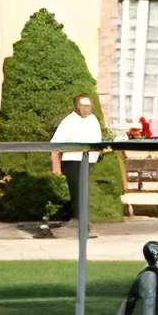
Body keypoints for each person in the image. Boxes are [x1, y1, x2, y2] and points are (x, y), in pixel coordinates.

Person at [48, 93, 107, 222]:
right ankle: (79, 223)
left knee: (86, 193)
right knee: (78, 193)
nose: (87, 109)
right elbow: (55, 145)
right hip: (73, 162)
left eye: (88, 106)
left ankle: (79, 221)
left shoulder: (93, 120)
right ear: (77, 107)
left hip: (91, 162)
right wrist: (56, 167)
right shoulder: (69, 121)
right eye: (83, 106)